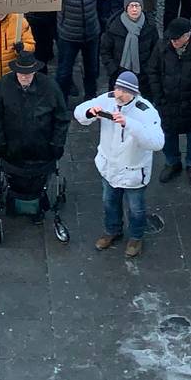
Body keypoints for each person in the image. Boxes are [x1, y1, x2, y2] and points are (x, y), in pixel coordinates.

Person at [77, 70, 164, 256]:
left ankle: (136, 237)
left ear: (134, 93)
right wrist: (89, 113)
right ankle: (112, 231)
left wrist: (129, 124)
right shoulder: (107, 100)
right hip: (109, 167)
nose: (119, 94)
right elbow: (80, 113)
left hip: (133, 171)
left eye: (124, 91)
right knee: (109, 203)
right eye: (117, 88)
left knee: (136, 209)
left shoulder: (145, 110)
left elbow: (157, 143)